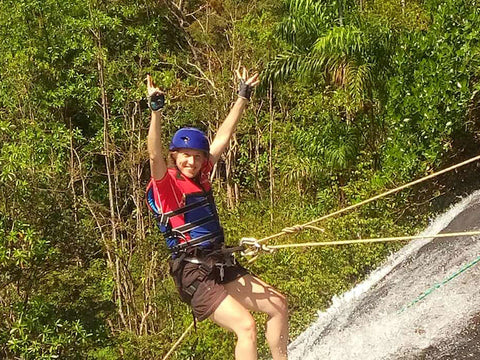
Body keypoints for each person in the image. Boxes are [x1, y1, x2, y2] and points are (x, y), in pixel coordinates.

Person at [145, 67, 289, 360]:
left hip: (218, 262)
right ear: (176, 156)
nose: (192, 161)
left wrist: (242, 97)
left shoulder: (201, 175)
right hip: (193, 273)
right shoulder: (168, 186)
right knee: (246, 326)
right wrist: (156, 113)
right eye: (186, 156)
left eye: (198, 157)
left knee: (277, 304)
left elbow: (223, 135)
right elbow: (153, 155)